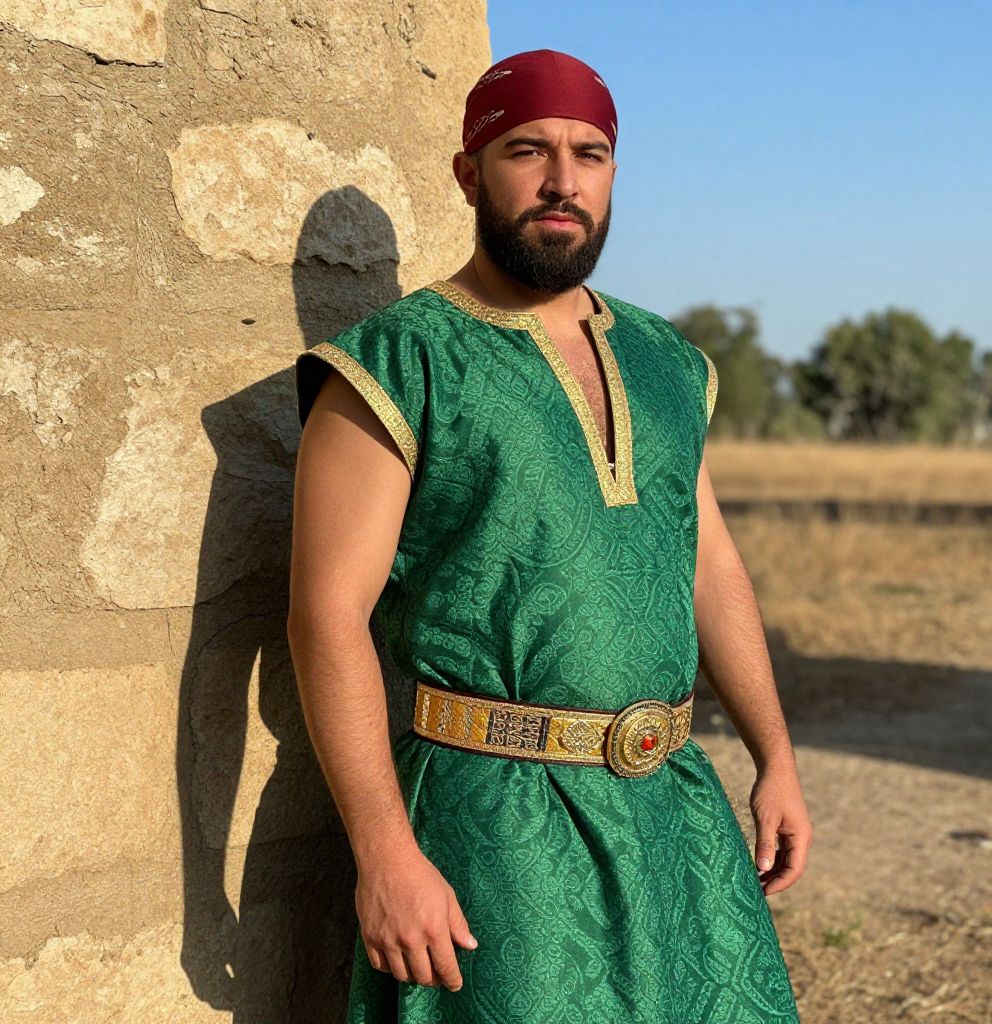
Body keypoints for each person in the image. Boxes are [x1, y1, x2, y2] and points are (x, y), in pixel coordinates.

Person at [289, 47, 811, 1024]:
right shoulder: (395, 363)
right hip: (496, 825)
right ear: (469, 173)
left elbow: (708, 565)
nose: (563, 180)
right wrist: (385, 850)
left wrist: (773, 755)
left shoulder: (667, 362)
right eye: (527, 150)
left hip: (675, 811)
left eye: (590, 154)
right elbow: (326, 615)